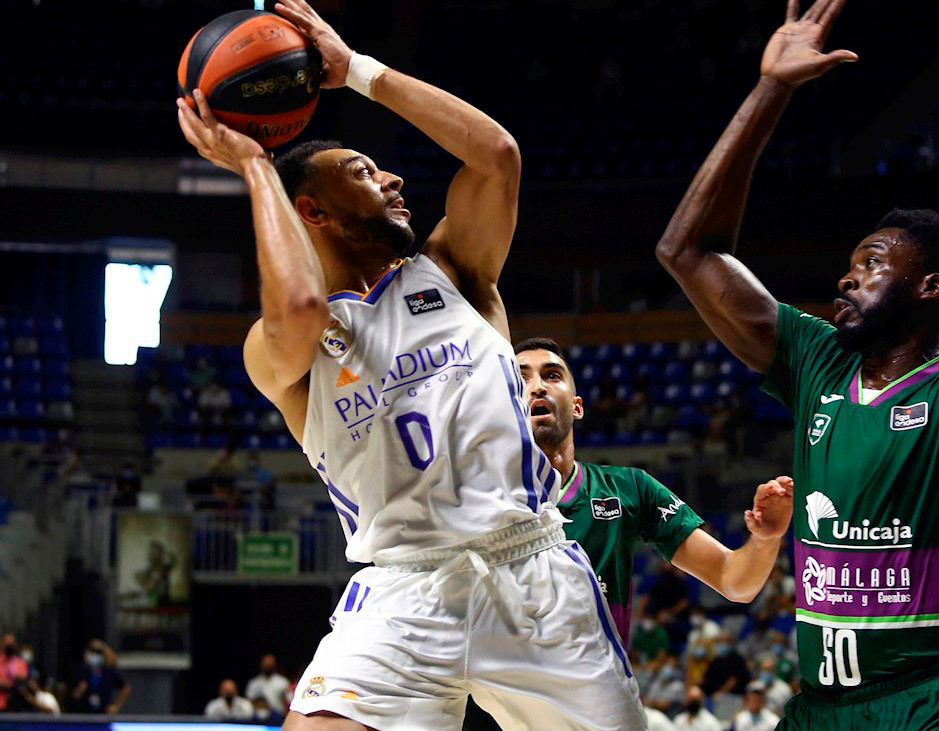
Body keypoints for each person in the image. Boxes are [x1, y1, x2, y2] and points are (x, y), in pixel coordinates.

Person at [175, 0, 643, 728]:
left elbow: (497, 156)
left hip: (532, 574)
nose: (394, 179)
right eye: (366, 171)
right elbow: (298, 305)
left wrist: (357, 71)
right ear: (316, 212)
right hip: (402, 590)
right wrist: (255, 166)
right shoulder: (285, 344)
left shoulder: (454, 269)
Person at [655, 0, 939, 726]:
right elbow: (687, 253)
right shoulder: (817, 361)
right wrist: (771, 90)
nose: (846, 278)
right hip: (821, 706)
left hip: (933, 704)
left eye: (869, 263)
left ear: (930, 286)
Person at [515, 337, 794, 645]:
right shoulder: (472, 497)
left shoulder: (629, 488)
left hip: (597, 688)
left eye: (552, 375)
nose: (538, 386)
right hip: (498, 692)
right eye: (521, 378)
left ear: (578, 406)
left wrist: (766, 539)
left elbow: (734, 581)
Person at [70, 639, 130, 714]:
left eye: (98, 653)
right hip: (84, 714)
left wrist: (116, 706)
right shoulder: (81, 671)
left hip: (104, 714)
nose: (95, 655)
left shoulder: (108, 672)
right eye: (92, 652)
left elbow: (125, 688)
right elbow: (73, 696)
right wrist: (80, 690)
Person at [0, 634, 28, 712]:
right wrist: (13, 685)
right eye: (7, 644)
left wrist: (6, 684)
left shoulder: (21, 663)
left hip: (16, 706)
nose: (9, 647)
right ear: (2, 645)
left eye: (11, 644)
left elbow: (22, 681)